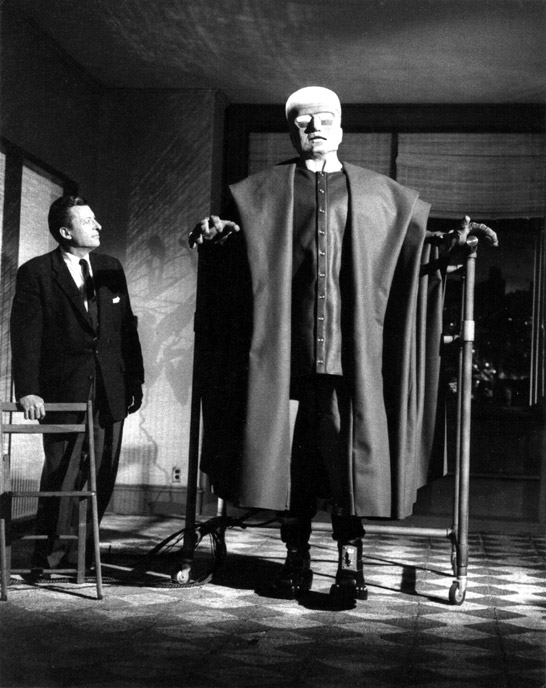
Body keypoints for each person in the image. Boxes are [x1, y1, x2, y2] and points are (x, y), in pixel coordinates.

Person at [189, 86, 496, 604]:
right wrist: (222, 235)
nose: (315, 127)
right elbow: (240, 258)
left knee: (347, 468)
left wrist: (452, 246)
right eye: (304, 121)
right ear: (294, 132)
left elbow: (412, 255)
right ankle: (295, 563)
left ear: (341, 129)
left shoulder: (379, 195)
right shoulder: (261, 192)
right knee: (291, 468)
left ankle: (350, 569)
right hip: (284, 360)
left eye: (325, 119)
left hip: (350, 360)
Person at [10, 195, 144, 571]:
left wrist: (135, 380)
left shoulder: (110, 267)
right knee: (62, 474)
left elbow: (126, 328)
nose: (98, 226)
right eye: (87, 221)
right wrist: (29, 390)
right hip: (63, 390)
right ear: (65, 232)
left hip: (110, 388)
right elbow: (25, 335)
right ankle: (49, 559)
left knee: (102, 473)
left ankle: (83, 556)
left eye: (95, 218)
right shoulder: (37, 272)